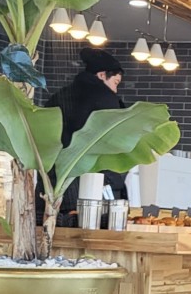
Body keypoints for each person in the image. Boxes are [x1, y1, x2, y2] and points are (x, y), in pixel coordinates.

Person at [42, 46, 128, 225]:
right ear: (102, 75)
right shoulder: (106, 99)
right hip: (89, 185)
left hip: (50, 183)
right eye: (116, 82)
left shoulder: (60, 96)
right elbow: (116, 143)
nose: (115, 90)